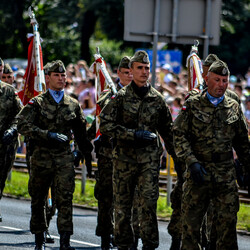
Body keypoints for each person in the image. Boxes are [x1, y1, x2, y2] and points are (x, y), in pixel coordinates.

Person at [99, 50, 177, 250]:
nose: (144, 72)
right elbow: (106, 126)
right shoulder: (120, 98)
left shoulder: (157, 99)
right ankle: (125, 245)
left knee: (149, 204)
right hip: (124, 160)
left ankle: (149, 245)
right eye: (140, 68)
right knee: (123, 207)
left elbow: (168, 132)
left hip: (149, 160)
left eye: (147, 68)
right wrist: (132, 135)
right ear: (131, 71)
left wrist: (179, 158)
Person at [173, 60, 250, 249]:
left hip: (225, 175)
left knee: (227, 228)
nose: (222, 85)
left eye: (225, 81)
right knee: (191, 228)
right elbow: (179, 134)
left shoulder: (233, 106)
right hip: (199, 173)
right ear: (207, 80)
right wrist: (191, 162)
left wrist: (245, 167)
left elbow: (242, 142)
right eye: (217, 80)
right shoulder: (193, 104)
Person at [17, 60, 92, 250]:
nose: (61, 78)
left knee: (65, 198)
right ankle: (39, 239)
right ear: (48, 78)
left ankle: (65, 242)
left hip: (64, 158)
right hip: (41, 157)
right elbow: (22, 124)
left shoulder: (72, 104)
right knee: (39, 198)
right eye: (57, 75)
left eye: (63, 75)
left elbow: (82, 133)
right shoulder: (38, 102)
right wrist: (46, 134)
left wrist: (85, 154)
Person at [87, 56, 134, 249]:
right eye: (126, 72)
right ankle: (106, 235)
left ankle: (125, 235)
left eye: (132, 72)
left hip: (131, 157)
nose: (130, 76)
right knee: (106, 198)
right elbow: (99, 122)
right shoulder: (109, 95)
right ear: (118, 74)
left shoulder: (140, 96)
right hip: (109, 155)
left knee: (129, 199)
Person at [0, 57, 23, 222]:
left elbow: (20, 115)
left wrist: (12, 130)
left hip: (5, 143)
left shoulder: (9, 92)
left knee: (1, 177)